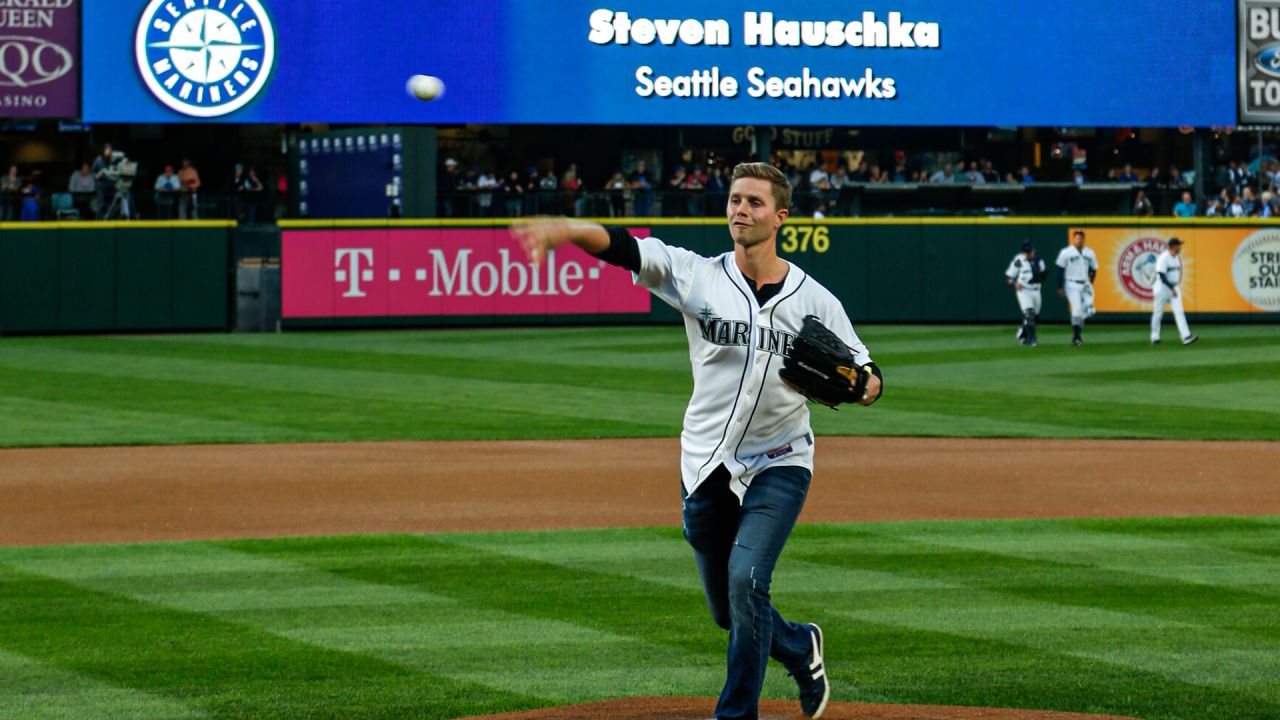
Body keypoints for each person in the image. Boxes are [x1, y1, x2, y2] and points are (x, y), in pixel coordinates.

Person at [511, 162, 882, 720]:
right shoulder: (697, 276)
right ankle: (799, 646)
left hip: (781, 458)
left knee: (747, 579)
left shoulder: (816, 299)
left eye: (755, 202)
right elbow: (625, 248)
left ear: (781, 216)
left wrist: (860, 386)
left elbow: (869, 376)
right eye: (735, 199)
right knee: (730, 609)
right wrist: (564, 228)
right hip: (706, 460)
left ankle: (735, 715)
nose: (741, 210)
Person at [1150, 237, 1198, 346]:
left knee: (1179, 312)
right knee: (1158, 313)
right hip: (1162, 288)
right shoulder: (1164, 258)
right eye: (1179, 245)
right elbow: (1162, 275)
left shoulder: (1176, 257)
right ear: (1173, 246)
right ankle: (1155, 337)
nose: (1180, 247)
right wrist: (1172, 288)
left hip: (1173, 287)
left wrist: (1175, 287)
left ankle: (1186, 336)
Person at [1056, 229, 1098, 346]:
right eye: (1077, 238)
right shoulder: (1066, 252)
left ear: (1084, 239)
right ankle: (1076, 336)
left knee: (1086, 311)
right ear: (1074, 239)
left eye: (1081, 238)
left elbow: (1094, 268)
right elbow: (1060, 270)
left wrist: (1091, 280)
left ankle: (1078, 332)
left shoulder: (1089, 252)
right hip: (1071, 284)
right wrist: (1060, 286)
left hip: (1085, 284)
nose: (1079, 240)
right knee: (1077, 308)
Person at [1005, 241, 1046, 346]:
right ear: (1024, 252)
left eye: (1031, 251)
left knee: (1035, 317)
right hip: (1024, 290)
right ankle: (1032, 339)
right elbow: (1009, 277)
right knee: (1029, 314)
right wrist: (1015, 282)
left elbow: (1044, 275)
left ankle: (1022, 332)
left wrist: (1039, 273)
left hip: (1036, 290)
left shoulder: (1039, 260)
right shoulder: (1019, 259)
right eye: (1027, 252)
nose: (1029, 254)